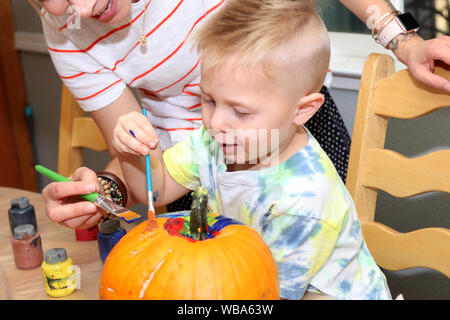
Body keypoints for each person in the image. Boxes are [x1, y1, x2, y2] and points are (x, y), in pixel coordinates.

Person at [31, 0, 449, 229]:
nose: (82, 10)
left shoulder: (307, 195)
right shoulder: (203, 146)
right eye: (57, 2)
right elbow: (152, 184)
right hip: (196, 168)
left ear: (303, 108)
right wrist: (109, 182)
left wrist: (405, 43)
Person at [111, 0, 392, 300]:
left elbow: (268, 295)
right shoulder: (215, 142)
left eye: (241, 112)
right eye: (208, 100)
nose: (216, 122)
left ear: (302, 110)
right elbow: (158, 191)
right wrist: (131, 152)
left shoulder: (304, 201)